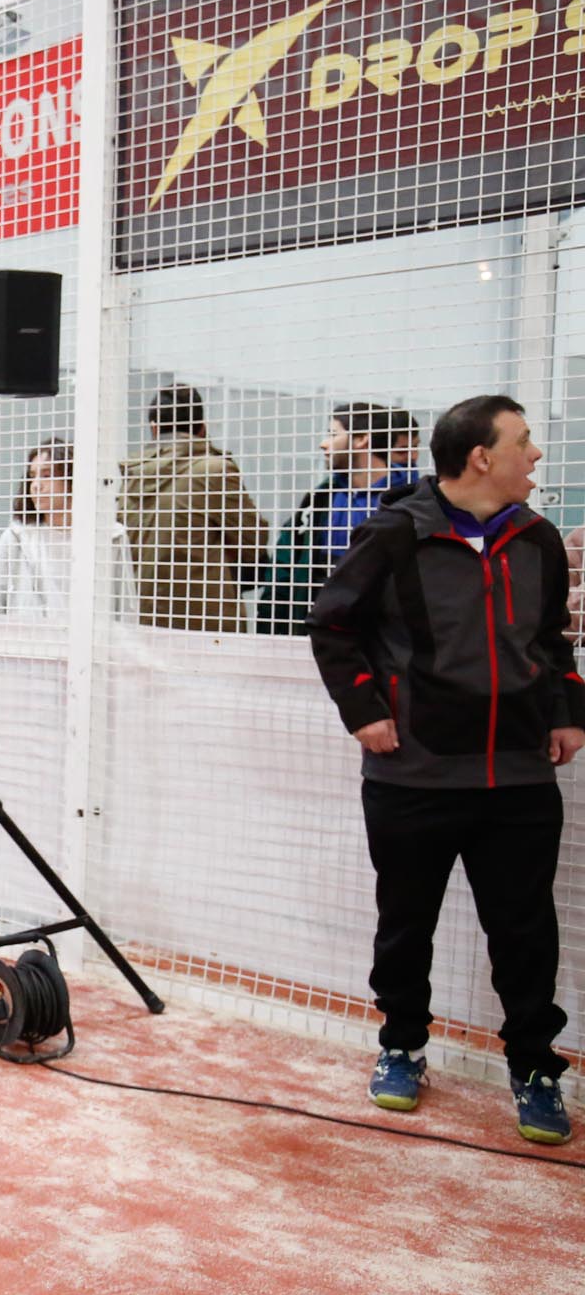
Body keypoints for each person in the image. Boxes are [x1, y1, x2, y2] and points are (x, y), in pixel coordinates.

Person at [308, 393, 578, 1146]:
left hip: (519, 778)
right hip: (412, 777)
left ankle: (533, 1065)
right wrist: (364, 712)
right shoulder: (394, 535)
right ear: (481, 457)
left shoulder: (539, 541)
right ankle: (402, 1045)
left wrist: (567, 711)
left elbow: (553, 641)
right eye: (524, 441)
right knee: (406, 923)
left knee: (525, 933)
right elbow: (333, 627)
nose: (537, 454)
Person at [118, 384, 268, 632]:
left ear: (153, 428)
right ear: (202, 428)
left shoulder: (128, 477)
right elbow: (252, 542)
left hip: (141, 620)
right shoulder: (214, 470)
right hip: (207, 623)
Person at [260, 403, 408, 635]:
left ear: (361, 440)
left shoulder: (405, 503)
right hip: (317, 628)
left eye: (333, 434)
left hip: (376, 635)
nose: (324, 443)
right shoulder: (320, 498)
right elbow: (286, 562)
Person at [0, 435, 128, 618]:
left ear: (72, 480)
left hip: (92, 644)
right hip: (26, 643)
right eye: (32, 477)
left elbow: (125, 608)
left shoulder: (110, 536)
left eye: (46, 475)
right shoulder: (17, 536)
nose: (36, 485)